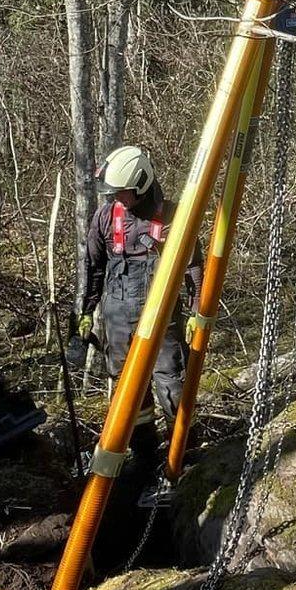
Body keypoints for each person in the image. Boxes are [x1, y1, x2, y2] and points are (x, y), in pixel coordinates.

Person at [74, 145, 199, 432]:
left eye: (122, 192)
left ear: (141, 185)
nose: (116, 197)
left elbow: (193, 266)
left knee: (171, 382)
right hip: (118, 319)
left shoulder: (173, 216)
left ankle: (183, 446)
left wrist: (196, 312)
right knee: (129, 388)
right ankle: (143, 448)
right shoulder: (105, 217)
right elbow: (93, 267)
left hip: (163, 319)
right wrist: (86, 311)